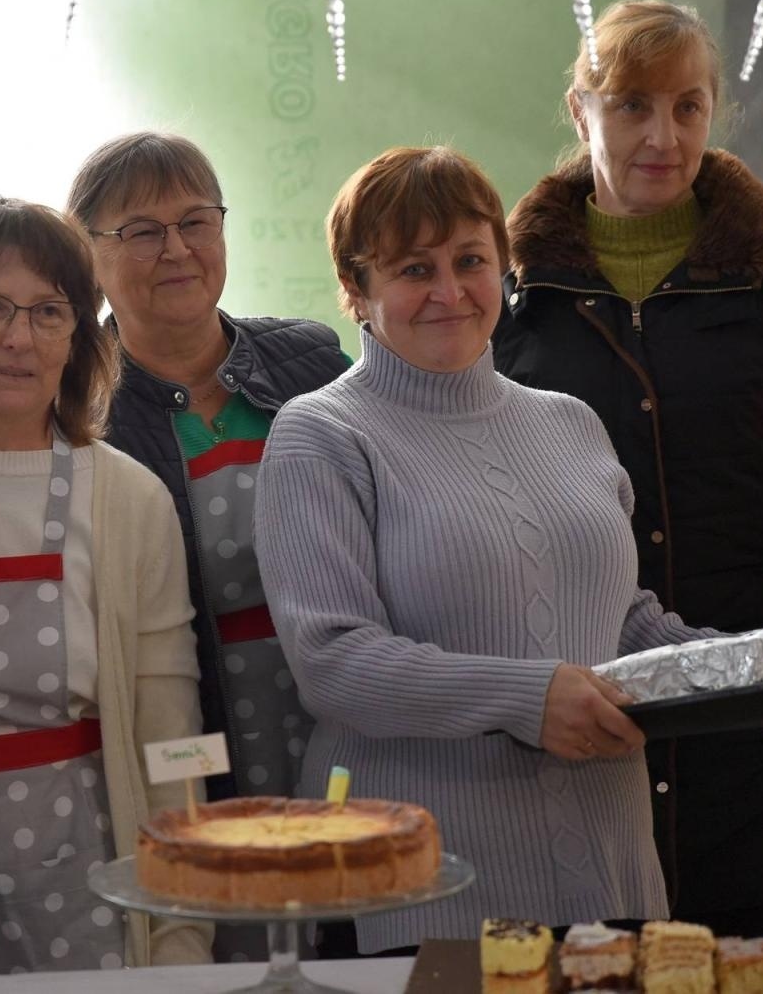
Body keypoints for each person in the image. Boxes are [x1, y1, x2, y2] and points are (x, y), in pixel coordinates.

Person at [493, 0, 763, 938]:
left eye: (688, 105)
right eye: (633, 105)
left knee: (740, 959)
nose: (662, 135)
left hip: (758, 719)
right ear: (579, 112)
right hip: (567, 714)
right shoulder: (511, 294)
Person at [256, 145, 718, 954]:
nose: (448, 291)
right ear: (356, 292)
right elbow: (334, 663)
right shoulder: (322, 434)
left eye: (470, 260)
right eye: (410, 269)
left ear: (503, 269)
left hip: (612, 874)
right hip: (424, 896)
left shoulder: (570, 421)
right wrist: (528, 699)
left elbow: (621, 622)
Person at [0, 196, 210, 972]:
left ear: (78, 336)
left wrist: (184, 925)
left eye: (49, 311)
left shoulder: (127, 499)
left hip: (85, 875)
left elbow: (174, 732)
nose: (18, 338)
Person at [65, 133, 351, 809]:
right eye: (140, 231)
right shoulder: (71, 416)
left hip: (346, 720)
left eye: (195, 221)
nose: (175, 249)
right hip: (181, 734)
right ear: (87, 257)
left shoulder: (313, 364)